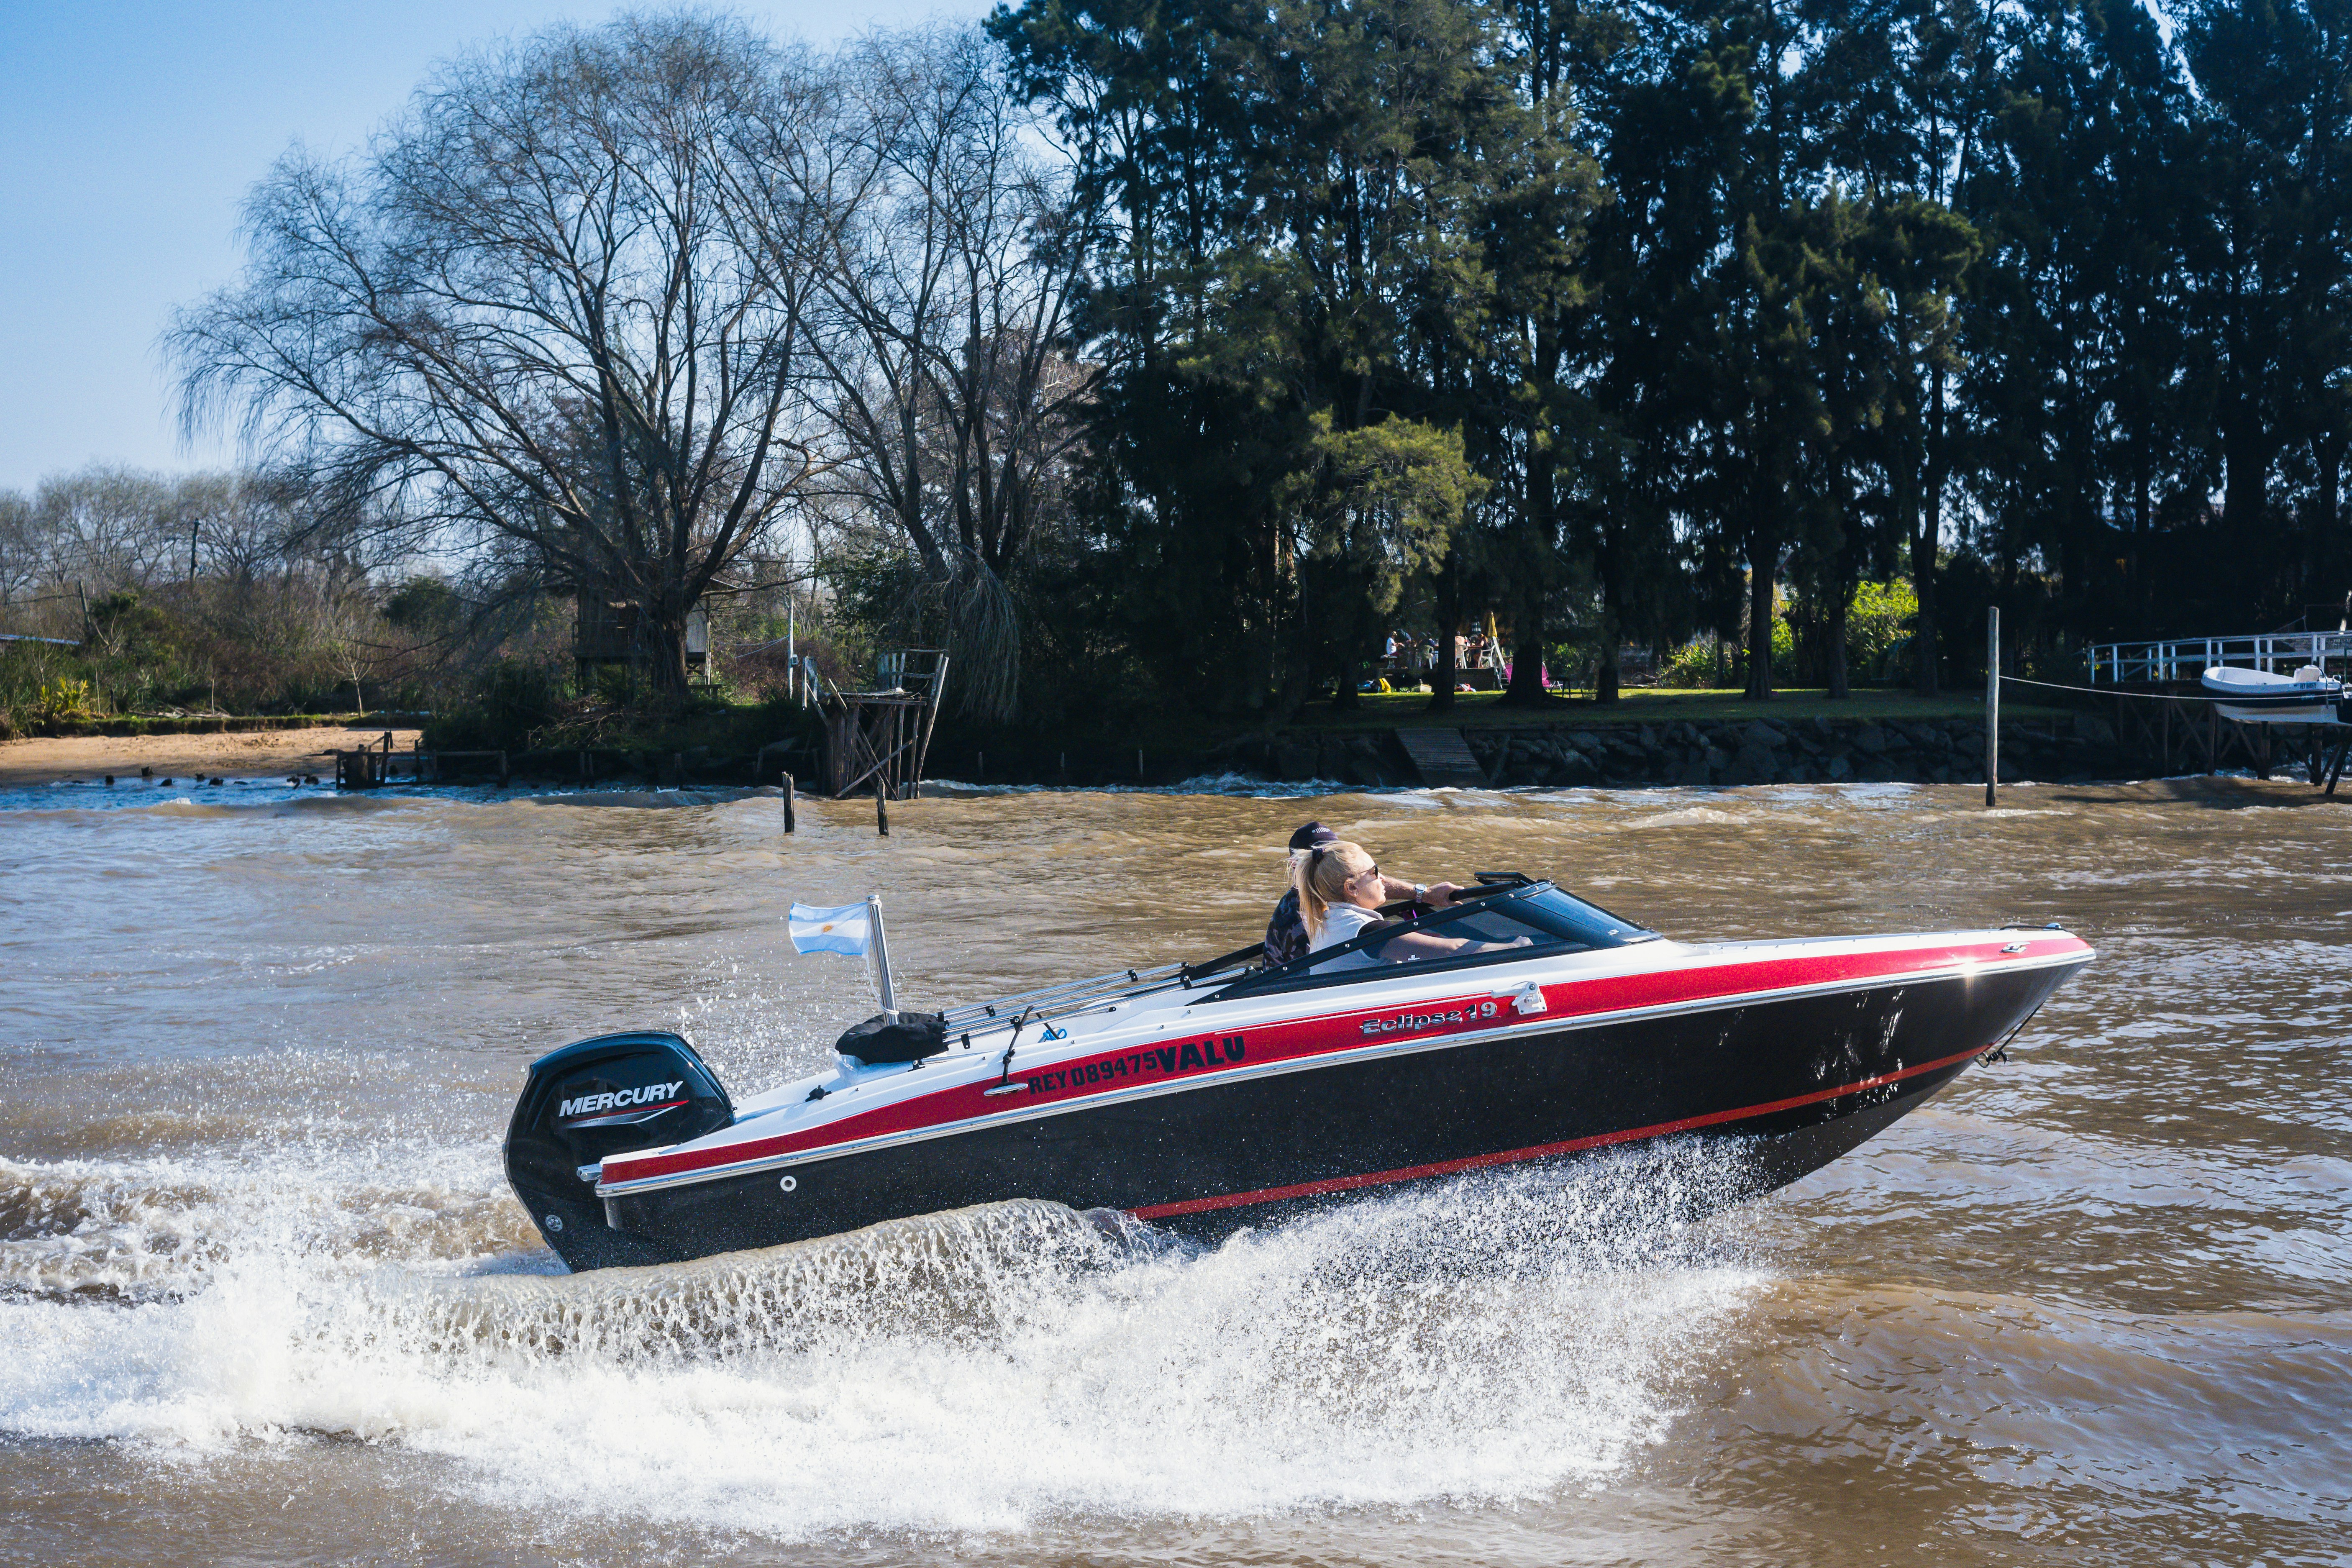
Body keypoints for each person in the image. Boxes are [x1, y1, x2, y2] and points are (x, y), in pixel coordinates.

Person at [1293, 840, 1528, 971]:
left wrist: (1426, 895)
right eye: (1375, 872)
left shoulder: (1327, 921)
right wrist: (1515, 947)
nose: (1383, 878)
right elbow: (1452, 950)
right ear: (1352, 889)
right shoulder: (1367, 931)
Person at [1263, 821, 1459, 966]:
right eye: (1324, 857)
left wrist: (1425, 894)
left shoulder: (1336, 898)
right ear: (1295, 865)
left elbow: (1367, 884)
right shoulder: (1299, 913)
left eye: (1335, 853)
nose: (1331, 862)